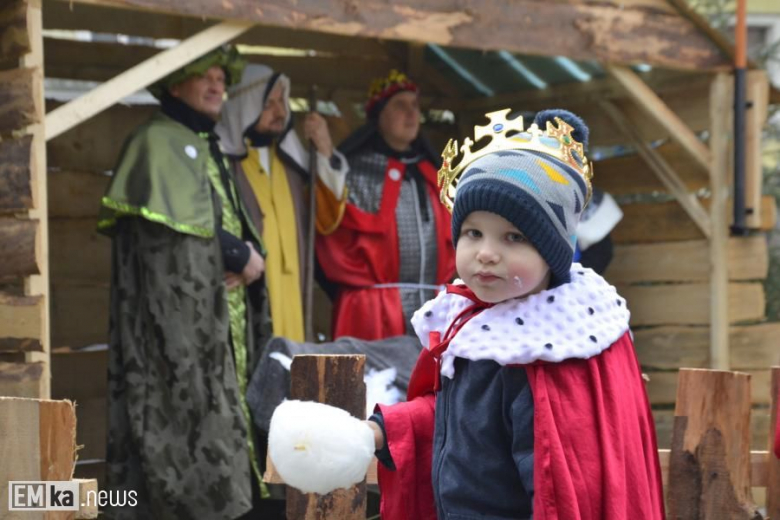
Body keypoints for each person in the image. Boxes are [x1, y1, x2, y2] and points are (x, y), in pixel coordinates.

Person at [269, 109, 666, 520]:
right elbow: (461, 422)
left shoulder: (550, 352)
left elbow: (559, 493)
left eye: (514, 237)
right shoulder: (480, 325)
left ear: (553, 253)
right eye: (473, 233)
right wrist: (375, 433)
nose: (486, 252)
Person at [98, 47, 278, 519]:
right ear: (174, 83)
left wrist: (247, 260)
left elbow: (211, 223)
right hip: (180, 343)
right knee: (183, 451)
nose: (217, 85)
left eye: (222, 77)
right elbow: (175, 244)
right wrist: (240, 255)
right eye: (205, 76)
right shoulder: (158, 143)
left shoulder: (202, 141)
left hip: (227, 332)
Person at [316, 70, 456, 340]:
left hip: (434, 308)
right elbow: (330, 229)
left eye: (415, 106)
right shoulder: (354, 174)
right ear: (378, 115)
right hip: (373, 311)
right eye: (400, 105)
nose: (411, 114)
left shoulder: (433, 174)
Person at [216, 64, 349, 343]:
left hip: (294, 293)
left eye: (282, 101)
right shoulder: (222, 164)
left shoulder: (292, 164)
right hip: (246, 298)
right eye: (269, 103)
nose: (281, 111)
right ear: (246, 105)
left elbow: (327, 217)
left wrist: (324, 147)